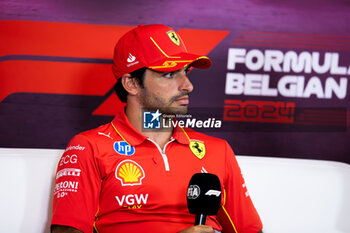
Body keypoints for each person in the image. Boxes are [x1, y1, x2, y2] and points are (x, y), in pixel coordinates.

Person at [51, 24, 263, 233]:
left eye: (186, 72)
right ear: (131, 84)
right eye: (169, 74)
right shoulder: (89, 147)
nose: (188, 85)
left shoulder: (219, 151)